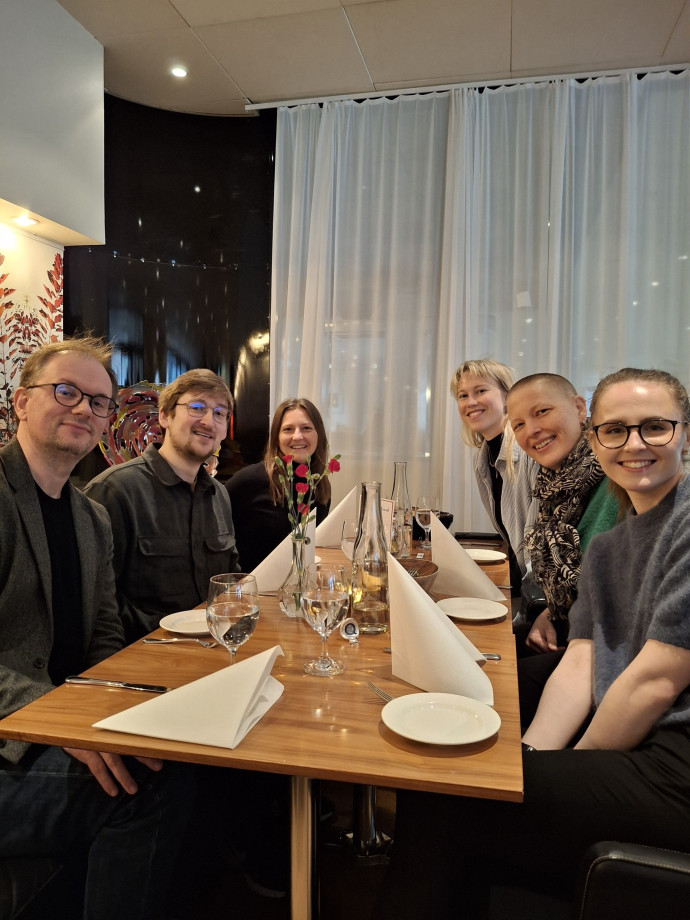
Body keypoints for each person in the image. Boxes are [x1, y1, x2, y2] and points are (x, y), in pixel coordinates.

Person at [371, 367, 690, 920]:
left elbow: (656, 681)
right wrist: (532, 758)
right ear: (596, 438)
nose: (634, 444)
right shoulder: (611, 547)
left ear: (684, 432)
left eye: (654, 428)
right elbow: (581, 662)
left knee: (451, 796)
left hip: (677, 765)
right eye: (616, 431)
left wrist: (562, 772)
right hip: (646, 745)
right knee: (446, 780)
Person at [0, 336, 192, 920]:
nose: (84, 408)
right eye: (66, 392)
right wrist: (59, 719)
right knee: (148, 788)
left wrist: (123, 707)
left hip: (60, 723)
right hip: (14, 739)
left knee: (183, 753)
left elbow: (104, 638)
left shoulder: (93, 518)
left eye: (100, 402)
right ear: (21, 403)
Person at [84, 368, 239, 643]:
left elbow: (231, 580)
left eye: (219, 413)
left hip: (214, 648)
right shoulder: (114, 492)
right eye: (197, 407)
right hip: (145, 655)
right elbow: (95, 605)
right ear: (165, 415)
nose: (209, 421)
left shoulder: (220, 495)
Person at [506, 373, 619, 654]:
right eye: (518, 424)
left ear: (580, 409)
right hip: (569, 629)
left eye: (542, 412)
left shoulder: (616, 477)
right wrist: (550, 613)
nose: (531, 430)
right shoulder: (552, 485)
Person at [450, 359, 538, 603]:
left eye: (481, 391)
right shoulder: (484, 457)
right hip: (519, 583)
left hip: (539, 595)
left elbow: (536, 543)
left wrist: (529, 608)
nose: (471, 402)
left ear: (507, 396)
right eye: (463, 395)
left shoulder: (528, 449)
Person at [226, 397, 331, 571]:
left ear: (318, 434)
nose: (297, 436)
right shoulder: (248, 481)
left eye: (306, 428)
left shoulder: (319, 484)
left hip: (296, 588)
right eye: (288, 429)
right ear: (276, 437)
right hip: (252, 590)